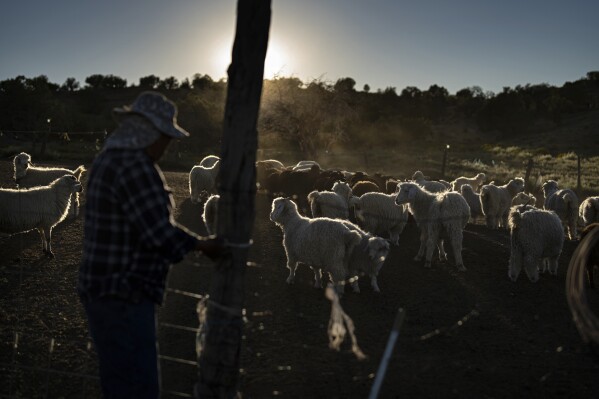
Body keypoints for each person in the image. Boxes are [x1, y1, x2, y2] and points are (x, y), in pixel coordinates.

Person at [78, 91, 224, 398]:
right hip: (126, 292)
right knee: (138, 385)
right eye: (165, 137)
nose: (167, 145)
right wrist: (202, 245)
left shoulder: (107, 159)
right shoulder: (135, 166)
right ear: (149, 132)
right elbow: (158, 234)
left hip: (101, 288)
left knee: (117, 381)